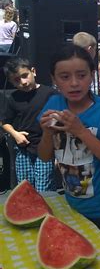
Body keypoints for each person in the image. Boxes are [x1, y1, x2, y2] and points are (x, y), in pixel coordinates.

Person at [37, 44, 100, 248]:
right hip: (71, 207)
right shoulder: (53, 106)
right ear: (53, 79)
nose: (74, 83)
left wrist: (81, 131)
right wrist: (48, 133)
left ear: (92, 74)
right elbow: (44, 156)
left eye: (81, 75)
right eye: (65, 77)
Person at [0, 58, 57, 191]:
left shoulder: (50, 94)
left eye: (25, 76)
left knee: (44, 189)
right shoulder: (13, 98)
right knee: (25, 189)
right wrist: (15, 134)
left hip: (45, 148)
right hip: (23, 150)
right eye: (17, 80)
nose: (23, 82)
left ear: (33, 72)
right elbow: (5, 122)